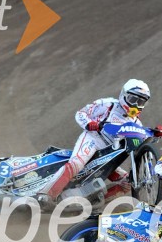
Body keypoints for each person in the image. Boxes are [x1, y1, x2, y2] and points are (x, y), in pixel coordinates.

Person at [37, 79, 151, 207]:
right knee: (76, 164)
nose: (135, 105)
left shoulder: (137, 125)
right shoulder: (108, 104)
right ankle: (45, 196)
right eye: (132, 99)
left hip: (108, 155)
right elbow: (81, 113)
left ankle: (89, 205)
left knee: (127, 183)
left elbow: (141, 143)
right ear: (123, 95)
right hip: (93, 139)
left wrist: (155, 133)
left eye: (140, 101)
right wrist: (90, 124)